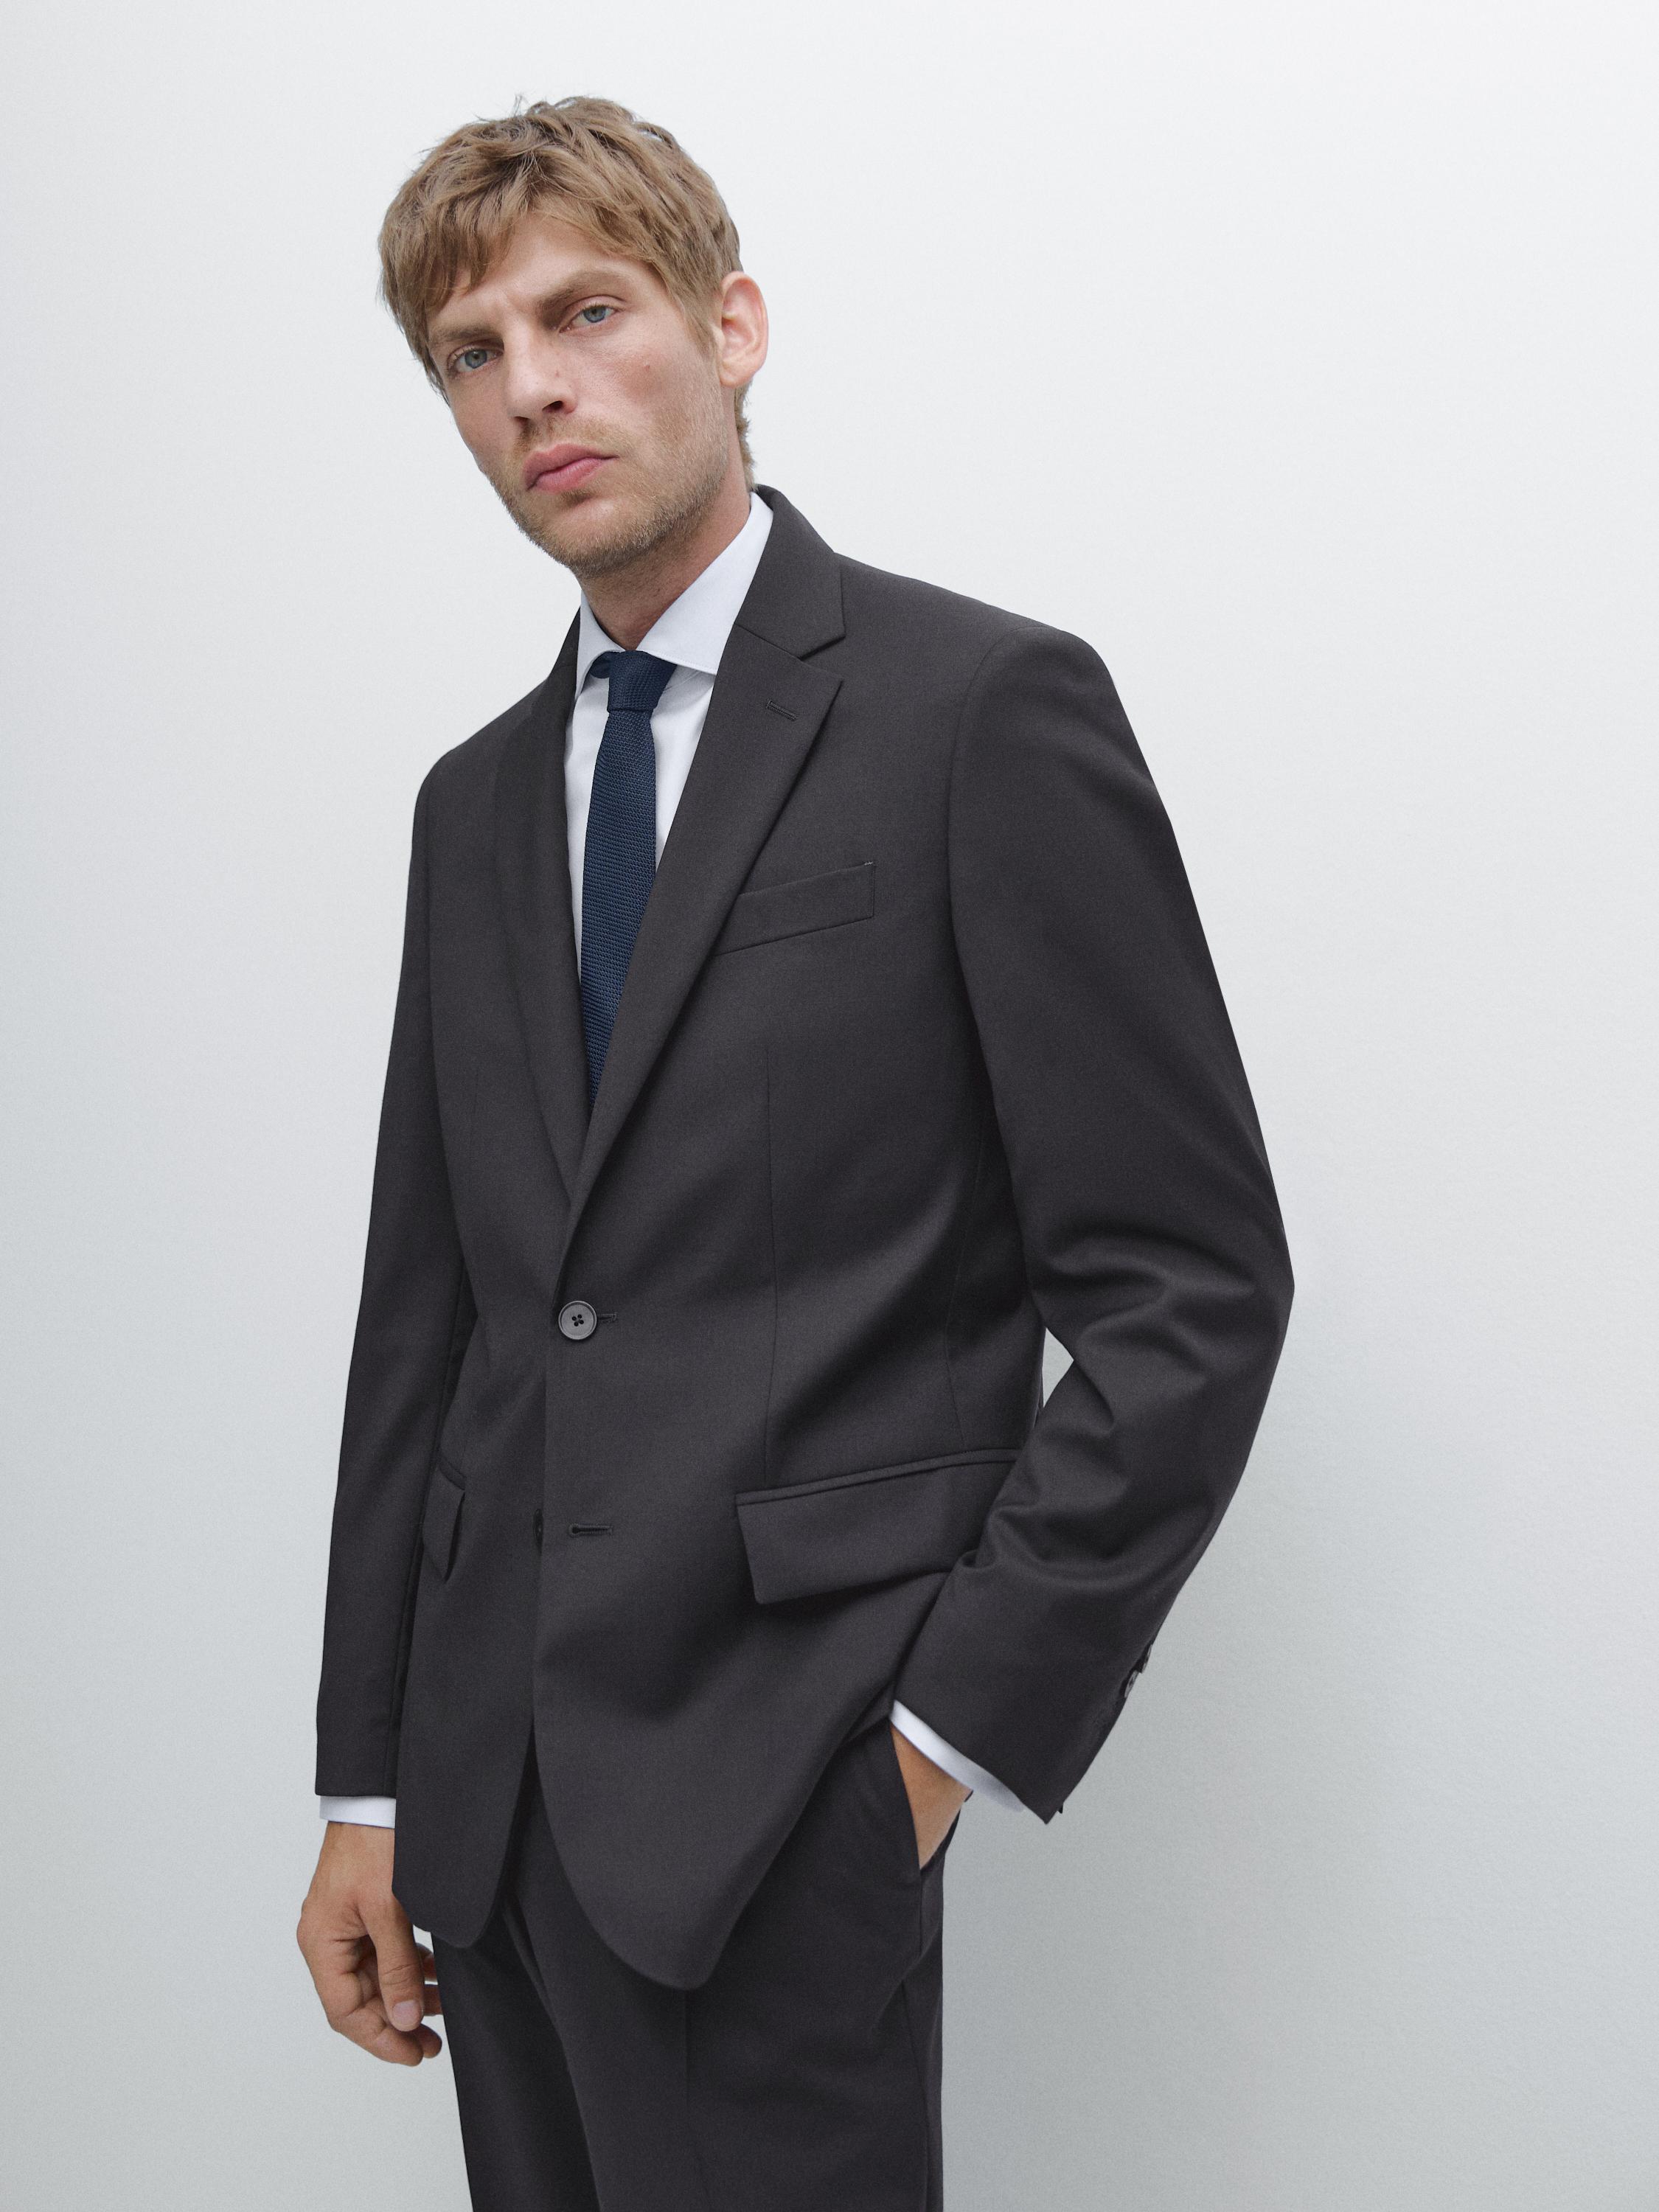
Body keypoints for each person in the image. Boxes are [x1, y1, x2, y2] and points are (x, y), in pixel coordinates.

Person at [296, 94, 1294, 2211]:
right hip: (486, 1825)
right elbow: (431, 1325)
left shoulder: (977, 712)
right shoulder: (473, 805)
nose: (531, 386)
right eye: (471, 352)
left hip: (784, 1802)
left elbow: (1189, 1295)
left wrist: (932, 1753)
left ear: (730, 325)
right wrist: (368, 1784)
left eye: (587, 312)